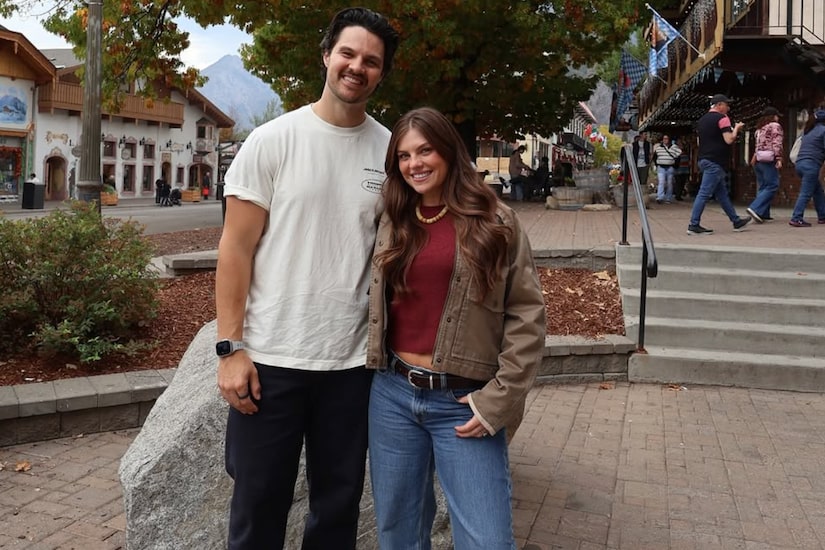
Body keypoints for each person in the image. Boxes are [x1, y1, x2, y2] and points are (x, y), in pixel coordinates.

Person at [214, 8, 399, 550]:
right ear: (326, 55)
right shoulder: (272, 140)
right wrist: (230, 349)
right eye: (348, 53)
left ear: (382, 73)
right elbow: (234, 251)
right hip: (270, 361)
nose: (357, 67)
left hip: (351, 366)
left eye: (371, 61)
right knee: (257, 508)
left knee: (337, 510)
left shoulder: (390, 151)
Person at [366, 107, 547, 549]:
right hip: (393, 395)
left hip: (465, 402)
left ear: (448, 151)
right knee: (398, 533)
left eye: (425, 150)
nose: (415, 164)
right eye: (404, 156)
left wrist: (497, 401)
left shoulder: (495, 220)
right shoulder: (393, 217)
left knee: (487, 540)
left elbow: (527, 315)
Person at [687, 94, 752, 235]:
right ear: (719, 105)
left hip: (704, 159)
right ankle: (693, 224)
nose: (728, 108)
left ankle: (736, 221)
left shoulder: (702, 120)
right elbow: (729, 139)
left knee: (722, 194)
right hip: (715, 161)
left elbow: (699, 142)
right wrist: (736, 128)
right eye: (726, 105)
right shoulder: (723, 119)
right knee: (704, 193)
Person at [788, 105, 825, 227]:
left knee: (817, 191)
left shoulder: (808, 131)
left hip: (800, 164)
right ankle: (796, 218)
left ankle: (823, 216)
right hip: (811, 166)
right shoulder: (823, 130)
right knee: (805, 193)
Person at [747, 106, 784, 223]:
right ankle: (755, 208)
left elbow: (758, 146)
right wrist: (779, 158)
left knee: (763, 186)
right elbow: (777, 143)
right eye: (777, 116)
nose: (778, 118)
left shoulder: (759, 129)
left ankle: (763, 214)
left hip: (758, 159)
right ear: (773, 116)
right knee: (773, 185)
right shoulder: (775, 126)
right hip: (769, 159)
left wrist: (754, 157)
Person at [652, 134, 681, 203]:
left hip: (670, 167)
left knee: (669, 183)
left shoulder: (674, 147)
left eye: (666, 138)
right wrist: (657, 164)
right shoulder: (658, 148)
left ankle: (668, 198)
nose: (665, 140)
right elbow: (655, 157)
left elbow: (679, 155)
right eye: (664, 139)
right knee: (661, 182)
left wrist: (675, 165)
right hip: (661, 167)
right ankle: (660, 197)